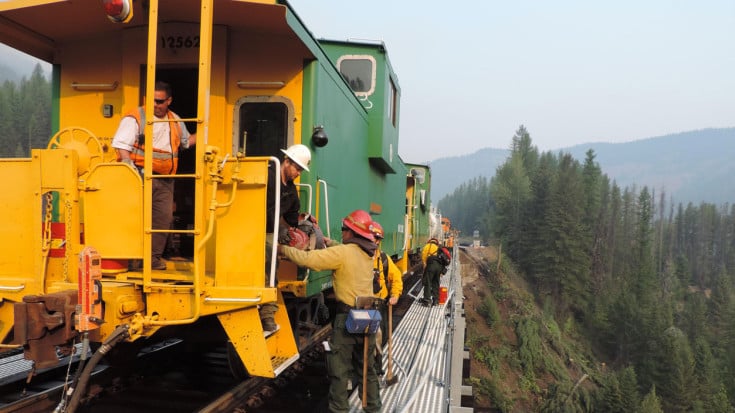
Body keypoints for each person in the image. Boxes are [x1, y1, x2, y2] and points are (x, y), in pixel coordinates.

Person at [278, 210, 381, 413]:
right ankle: (374, 409)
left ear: (351, 232)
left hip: (348, 319)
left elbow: (309, 260)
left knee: (339, 371)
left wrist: (283, 249)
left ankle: (339, 410)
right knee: (367, 370)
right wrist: (329, 241)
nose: (342, 233)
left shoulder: (342, 254)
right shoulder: (368, 253)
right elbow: (346, 251)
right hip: (368, 317)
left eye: (344, 229)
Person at [112, 81, 195, 270]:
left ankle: (152, 259)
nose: (156, 105)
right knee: (136, 218)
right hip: (140, 176)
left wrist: (205, 133)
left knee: (162, 219)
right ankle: (132, 259)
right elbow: (121, 145)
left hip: (165, 180)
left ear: (169, 100)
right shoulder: (136, 117)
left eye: (160, 101)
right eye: (153, 101)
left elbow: (185, 142)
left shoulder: (175, 120)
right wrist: (128, 165)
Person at [260, 144, 312, 333]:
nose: (298, 173)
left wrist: (301, 227)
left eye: (300, 169)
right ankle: (266, 314)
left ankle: (267, 314)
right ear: (287, 161)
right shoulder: (265, 175)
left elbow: (292, 218)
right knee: (269, 257)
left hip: (268, 233)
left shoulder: (291, 191)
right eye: (297, 168)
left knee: (272, 263)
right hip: (251, 228)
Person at [370, 221, 403, 376]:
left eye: (377, 239)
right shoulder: (358, 256)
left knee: (378, 338)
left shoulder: (383, 258)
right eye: (372, 237)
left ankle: (376, 368)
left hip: (378, 304)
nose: (374, 241)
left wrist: (395, 295)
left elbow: (396, 277)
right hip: (361, 304)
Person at [420, 237, 443, 306]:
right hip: (439, 267)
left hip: (431, 266)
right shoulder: (438, 248)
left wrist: (425, 267)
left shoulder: (427, 247)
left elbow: (424, 258)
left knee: (428, 282)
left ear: (430, 242)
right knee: (436, 283)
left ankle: (427, 300)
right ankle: (436, 300)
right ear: (436, 243)